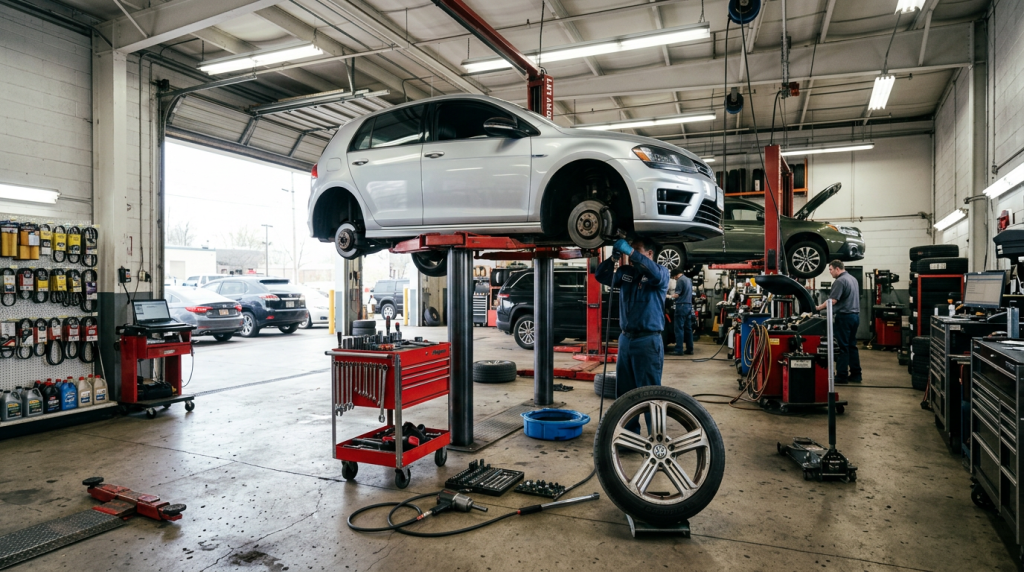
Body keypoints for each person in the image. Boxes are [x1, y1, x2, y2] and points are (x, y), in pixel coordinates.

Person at [595, 237, 670, 431]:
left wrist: (630, 252)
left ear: (650, 254)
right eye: (630, 250)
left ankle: (657, 438)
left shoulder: (661, 273)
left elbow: (654, 273)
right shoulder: (626, 273)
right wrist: (613, 258)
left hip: (648, 340)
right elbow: (601, 276)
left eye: (636, 249)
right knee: (625, 393)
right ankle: (629, 436)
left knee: (649, 393)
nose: (631, 254)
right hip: (626, 339)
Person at [815, 260, 862, 383]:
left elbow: (833, 301)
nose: (830, 272)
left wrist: (817, 308)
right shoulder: (853, 279)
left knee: (842, 347)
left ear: (837, 269)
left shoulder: (840, 281)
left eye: (830, 269)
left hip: (845, 317)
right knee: (852, 346)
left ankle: (841, 376)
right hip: (855, 316)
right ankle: (856, 375)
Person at [670, 268, 694, 355]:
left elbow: (677, 294)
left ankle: (679, 350)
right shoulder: (688, 280)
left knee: (679, 329)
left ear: (676, 275)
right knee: (688, 329)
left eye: (673, 277)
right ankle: (690, 349)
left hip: (681, 306)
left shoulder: (680, 280)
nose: (674, 279)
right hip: (688, 306)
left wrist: (668, 296)